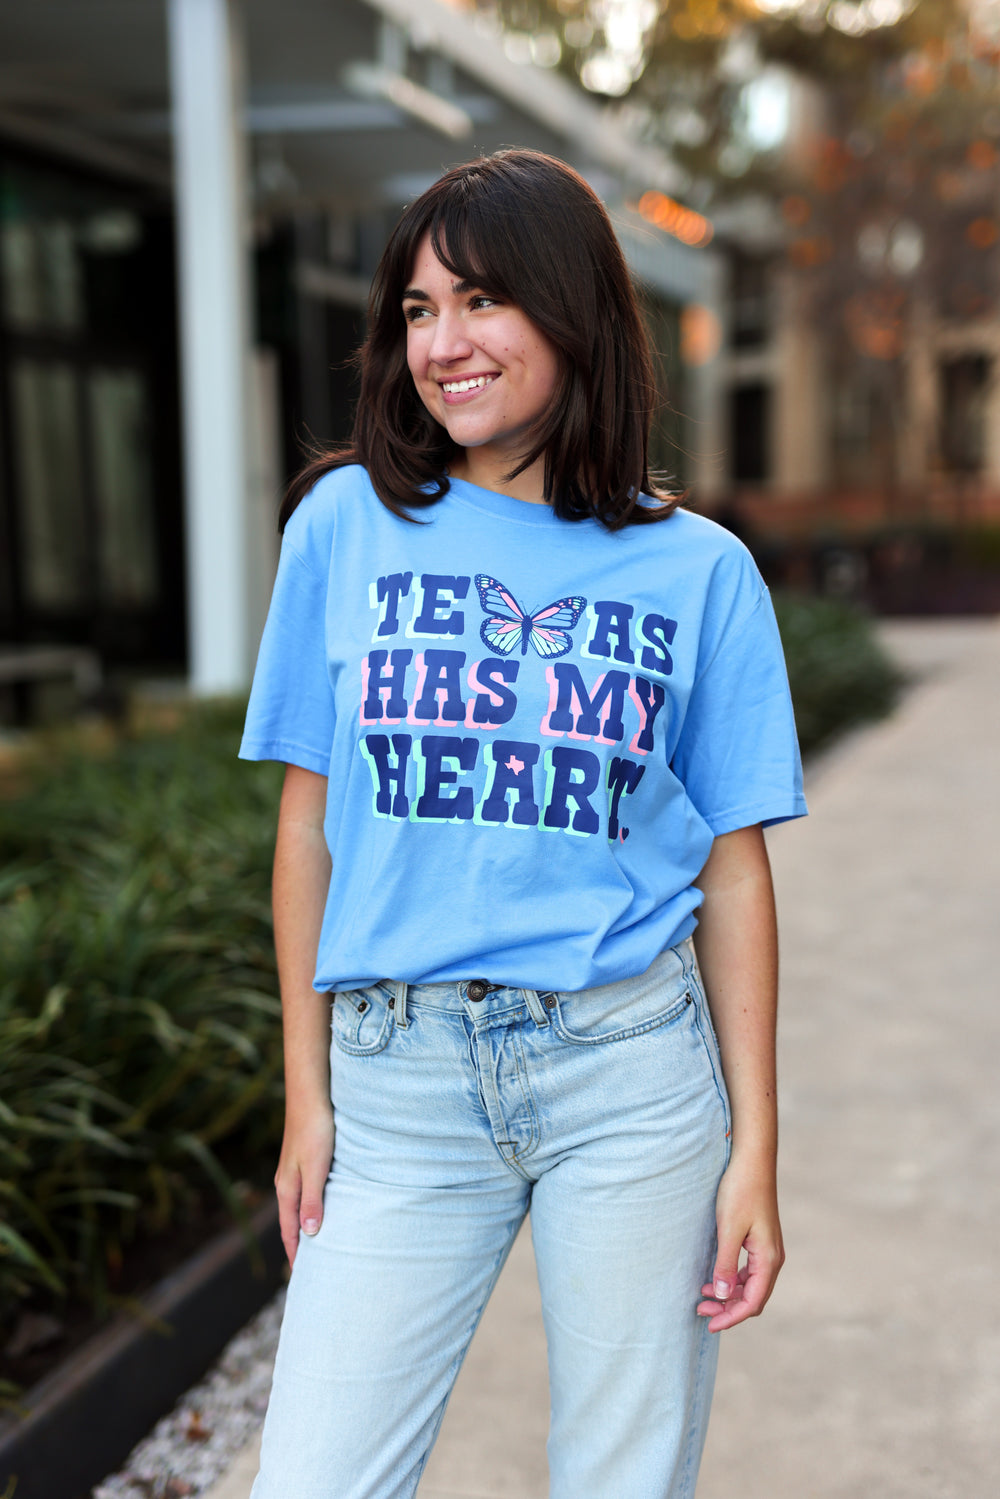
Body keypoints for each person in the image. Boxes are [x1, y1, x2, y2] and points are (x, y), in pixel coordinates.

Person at [240, 148, 806, 1499]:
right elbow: (305, 830)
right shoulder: (342, 526)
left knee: (620, 1480)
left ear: (572, 312)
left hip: (628, 1074)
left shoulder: (702, 573)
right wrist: (306, 1091)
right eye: (419, 310)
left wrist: (758, 1150)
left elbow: (733, 876)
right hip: (399, 1080)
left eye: (482, 301)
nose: (444, 343)